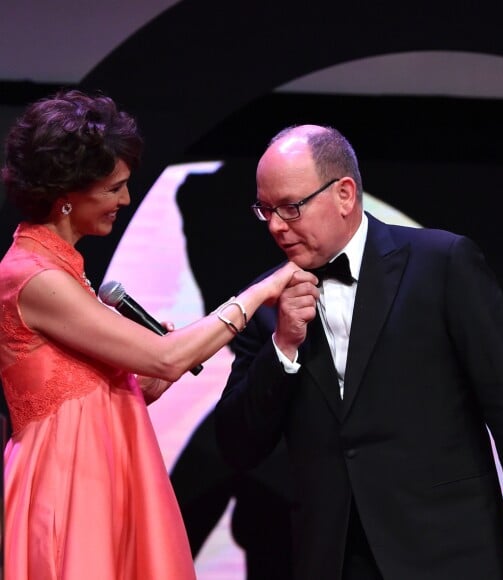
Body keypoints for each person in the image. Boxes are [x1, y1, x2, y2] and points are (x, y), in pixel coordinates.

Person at [215, 124, 503, 580]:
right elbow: (237, 446)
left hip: (448, 552)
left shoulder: (442, 264)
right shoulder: (264, 303)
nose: (275, 226)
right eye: (265, 210)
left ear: (345, 193)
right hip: (333, 559)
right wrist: (283, 346)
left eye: (290, 207)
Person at [0, 90, 301, 580]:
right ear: (68, 196)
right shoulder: (35, 277)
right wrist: (260, 291)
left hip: (102, 472)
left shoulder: (63, 271)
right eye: (114, 187)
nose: (125, 199)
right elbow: (162, 358)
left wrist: (146, 380)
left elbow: (117, 386)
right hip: (68, 483)